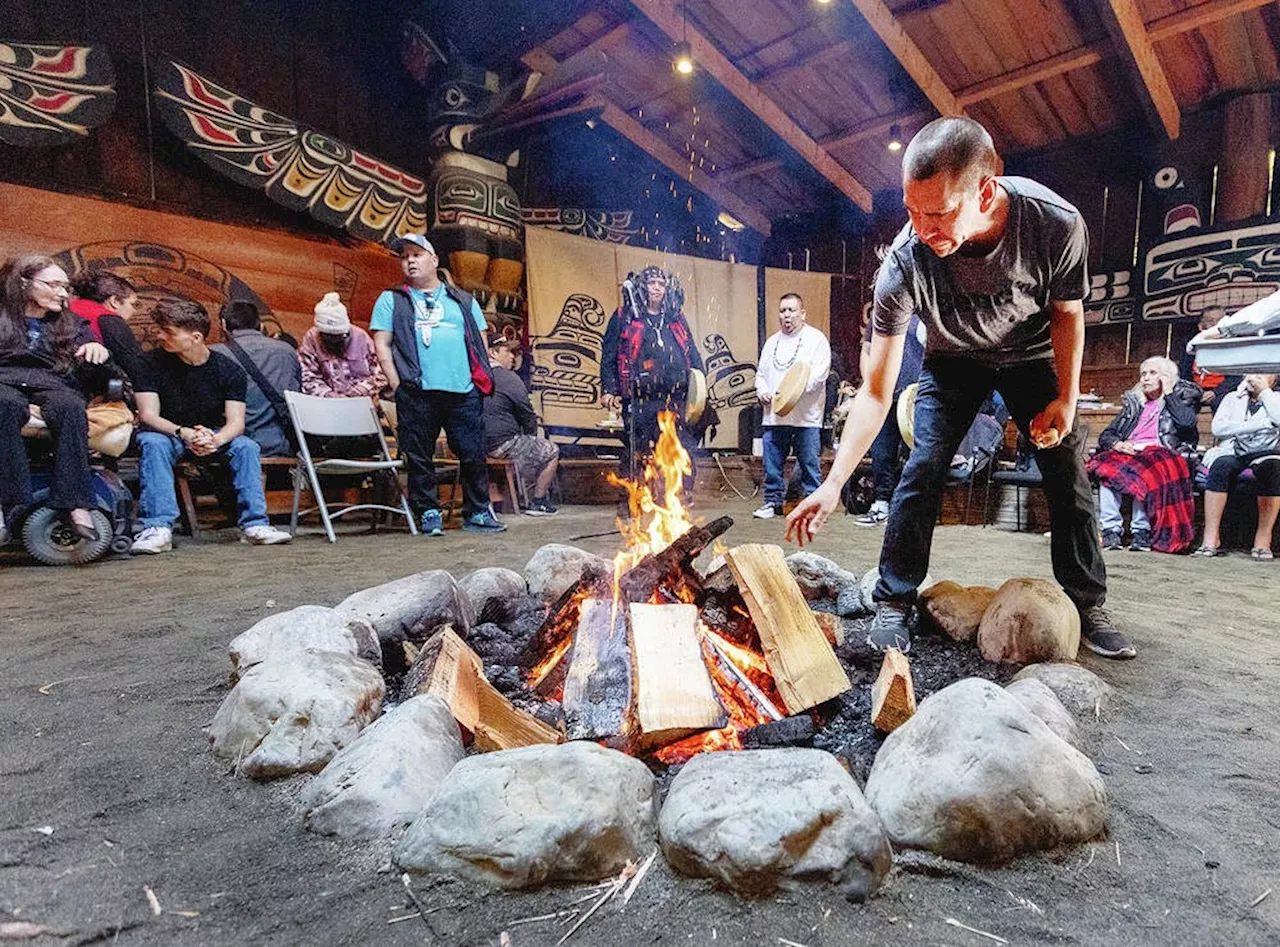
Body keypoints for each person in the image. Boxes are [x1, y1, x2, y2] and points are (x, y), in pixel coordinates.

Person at [786, 117, 1134, 660]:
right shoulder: (903, 265)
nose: (922, 228)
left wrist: (1065, 400)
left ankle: (1087, 603)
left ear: (985, 191)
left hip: (1030, 355)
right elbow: (876, 393)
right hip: (952, 362)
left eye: (940, 212)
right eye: (911, 211)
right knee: (922, 466)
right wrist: (834, 481)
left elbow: (1068, 314)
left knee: (1067, 470)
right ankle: (894, 602)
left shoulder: (1054, 224)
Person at [130, 299, 293, 553]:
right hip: (169, 432)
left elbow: (236, 423)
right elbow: (149, 415)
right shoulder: (148, 363)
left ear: (195, 337)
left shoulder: (229, 370)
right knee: (152, 442)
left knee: (246, 446)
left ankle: (255, 524)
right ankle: (158, 527)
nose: (159, 335)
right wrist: (183, 432)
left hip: (212, 433)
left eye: (168, 331)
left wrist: (215, 440)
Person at [371, 233, 504, 536]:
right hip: (417, 391)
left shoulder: (463, 300)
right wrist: (397, 383)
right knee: (418, 454)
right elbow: (382, 343)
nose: (409, 261)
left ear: (434, 260)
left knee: (472, 453)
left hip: (462, 389)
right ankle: (428, 512)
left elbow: (480, 342)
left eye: (416, 255)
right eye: (404, 257)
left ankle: (479, 512)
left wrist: (478, 378)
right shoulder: (392, 300)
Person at [0, 255, 111, 544]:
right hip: (4, 380)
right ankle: (8, 503)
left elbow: (94, 356)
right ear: (24, 284)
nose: (62, 294)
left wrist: (95, 349)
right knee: (6, 404)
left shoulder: (70, 322)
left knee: (71, 407)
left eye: (65, 287)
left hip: (52, 382)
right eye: (53, 285)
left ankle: (76, 503)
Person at [600, 266, 705, 496]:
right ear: (642, 287)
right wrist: (609, 388)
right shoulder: (624, 316)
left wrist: (701, 384)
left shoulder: (676, 319)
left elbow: (692, 353)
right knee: (637, 451)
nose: (657, 288)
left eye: (661, 284)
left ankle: (678, 498)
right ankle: (633, 500)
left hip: (675, 398)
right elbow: (608, 354)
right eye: (652, 283)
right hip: (640, 398)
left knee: (682, 448)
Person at [1086, 357, 1199, 553]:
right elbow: (1107, 435)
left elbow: (1187, 425)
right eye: (1143, 374)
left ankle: (1141, 531)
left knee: (1144, 471)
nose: (1145, 378)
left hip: (1160, 452)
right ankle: (1111, 530)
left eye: (1152, 373)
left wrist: (1169, 392)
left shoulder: (1180, 399)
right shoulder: (1135, 404)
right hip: (1130, 452)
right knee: (1106, 470)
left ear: (1167, 377)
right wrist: (1118, 444)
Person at [752, 293, 830, 519]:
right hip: (774, 417)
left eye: (792, 310)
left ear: (803, 314)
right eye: (783, 310)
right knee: (772, 463)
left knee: (809, 463)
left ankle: (812, 506)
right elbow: (761, 375)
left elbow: (819, 374)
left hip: (806, 416)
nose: (787, 315)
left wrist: (792, 394)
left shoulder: (816, 339)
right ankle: (773, 502)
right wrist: (763, 391)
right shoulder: (771, 342)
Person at [1195, 374, 1280, 560]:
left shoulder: (1276, 398)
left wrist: (1265, 393)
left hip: (1269, 451)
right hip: (1235, 450)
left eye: (1262, 372)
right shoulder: (1233, 397)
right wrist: (1262, 425)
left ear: (1273, 377)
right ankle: (1210, 538)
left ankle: (1263, 540)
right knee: (1220, 466)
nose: (1255, 377)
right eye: (1251, 372)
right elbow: (1219, 428)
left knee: (1273, 469)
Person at [856, 310, 926, 526]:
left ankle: (905, 510)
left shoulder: (926, 315)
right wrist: (870, 383)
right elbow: (867, 350)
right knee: (881, 453)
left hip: (915, 396)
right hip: (884, 395)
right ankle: (881, 504)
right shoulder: (880, 315)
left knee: (913, 455)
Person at [210, 301, 301, 458]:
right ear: (260, 325)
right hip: (279, 445)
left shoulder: (213, 354)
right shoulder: (287, 351)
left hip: (228, 444)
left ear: (223, 324)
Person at [484, 337, 560, 515]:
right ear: (492, 352)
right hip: (501, 444)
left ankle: (502, 498)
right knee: (551, 450)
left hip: (475, 444)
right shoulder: (509, 378)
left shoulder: (476, 373)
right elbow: (527, 414)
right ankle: (538, 501)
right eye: (507, 351)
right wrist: (531, 436)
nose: (512, 357)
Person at [299, 292, 388, 399]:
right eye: (329, 337)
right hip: (328, 403)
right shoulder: (312, 339)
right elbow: (307, 377)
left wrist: (360, 390)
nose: (334, 341)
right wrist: (328, 395)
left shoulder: (361, 337)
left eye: (339, 336)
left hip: (363, 400)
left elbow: (382, 373)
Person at [68, 270, 146, 383]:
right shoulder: (109, 319)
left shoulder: (68, 310)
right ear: (114, 301)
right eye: (133, 304)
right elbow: (136, 366)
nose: (134, 311)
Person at [1178, 306, 1239, 410]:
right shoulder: (1192, 346)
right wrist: (1194, 391)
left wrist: (1215, 392)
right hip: (1196, 389)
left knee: (1223, 403)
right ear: (1201, 326)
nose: (1216, 324)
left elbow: (1236, 377)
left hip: (1222, 390)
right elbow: (1185, 374)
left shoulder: (1234, 345)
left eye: (1220, 320)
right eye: (1211, 321)